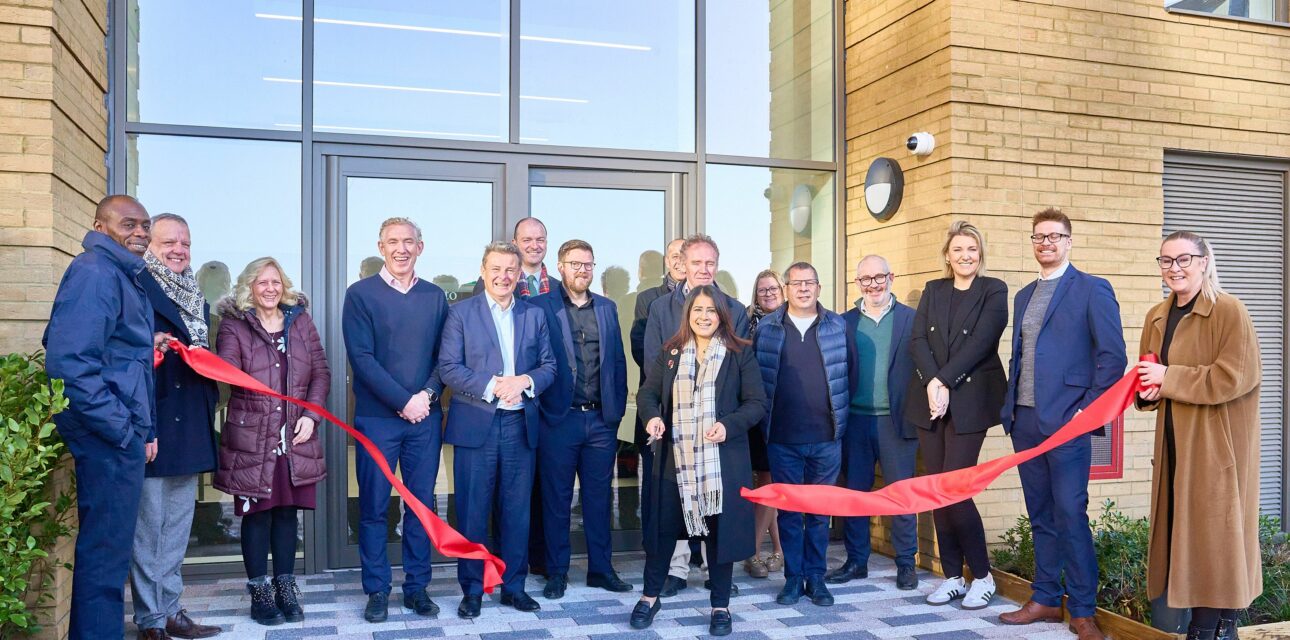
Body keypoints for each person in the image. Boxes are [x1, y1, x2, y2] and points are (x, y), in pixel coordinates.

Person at [999, 209, 1126, 639]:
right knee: (1040, 513)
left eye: (1055, 236)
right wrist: (1012, 408)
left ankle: (1084, 611)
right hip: (1026, 419)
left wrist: (1084, 412)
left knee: (1071, 512)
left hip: (1068, 423)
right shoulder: (1023, 295)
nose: (1046, 243)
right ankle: (1047, 599)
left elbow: (1113, 357)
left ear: (1069, 241)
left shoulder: (1092, 289)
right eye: (1039, 236)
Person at [1136, 231, 1262, 640]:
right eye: (1166, 261)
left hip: (1215, 444)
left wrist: (1168, 378)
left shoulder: (1229, 311)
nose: (1174, 269)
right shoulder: (1157, 315)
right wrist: (1148, 391)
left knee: (1214, 534)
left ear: (1205, 261)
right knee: (1183, 534)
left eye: (1184, 259)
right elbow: (1149, 375)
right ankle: (1220, 627)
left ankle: (1207, 627)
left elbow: (1234, 377)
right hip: (1174, 444)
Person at [44, 195, 157, 640]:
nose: (141, 233)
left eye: (145, 225)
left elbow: (116, 353)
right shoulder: (95, 272)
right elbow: (69, 363)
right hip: (106, 435)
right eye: (129, 224)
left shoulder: (120, 275)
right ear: (99, 224)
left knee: (108, 555)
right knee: (105, 557)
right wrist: (122, 429)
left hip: (117, 432)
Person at [631, 285, 767, 637]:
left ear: (721, 315)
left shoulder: (740, 354)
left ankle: (720, 605)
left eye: (711, 311)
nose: (704, 317)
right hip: (674, 464)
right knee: (662, 534)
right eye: (697, 311)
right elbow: (647, 392)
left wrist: (728, 425)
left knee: (718, 535)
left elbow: (756, 403)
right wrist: (651, 417)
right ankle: (649, 597)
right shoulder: (672, 352)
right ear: (687, 315)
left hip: (721, 464)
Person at [440, 242, 557, 619]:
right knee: (473, 512)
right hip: (477, 425)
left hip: (520, 425)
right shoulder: (460, 313)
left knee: (516, 512)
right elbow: (449, 368)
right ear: (483, 270)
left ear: (519, 274)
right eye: (496, 269)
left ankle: (513, 587)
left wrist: (523, 380)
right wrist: (494, 385)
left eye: (511, 270)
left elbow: (549, 366)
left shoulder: (534, 315)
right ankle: (472, 589)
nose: (503, 276)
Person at [341, 217, 450, 623]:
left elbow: (445, 358)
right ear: (380, 247)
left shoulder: (435, 296)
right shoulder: (360, 295)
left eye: (409, 241)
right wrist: (404, 401)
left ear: (421, 246)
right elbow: (362, 359)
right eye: (393, 242)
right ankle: (377, 590)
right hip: (377, 419)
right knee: (373, 508)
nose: (401, 248)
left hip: (425, 417)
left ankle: (417, 588)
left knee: (420, 507)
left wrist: (427, 396)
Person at [213, 258, 329, 626]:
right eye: (261, 282)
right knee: (257, 515)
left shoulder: (301, 322)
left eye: (275, 281)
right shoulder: (235, 325)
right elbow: (229, 371)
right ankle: (260, 590)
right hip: (254, 436)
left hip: (296, 433)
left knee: (286, 513)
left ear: (284, 286)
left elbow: (321, 373)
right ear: (249, 286)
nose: (269, 288)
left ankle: (285, 585)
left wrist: (311, 416)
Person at [906, 220, 1007, 609]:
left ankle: (982, 576)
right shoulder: (934, 290)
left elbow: (983, 343)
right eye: (958, 249)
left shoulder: (993, 290)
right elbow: (918, 341)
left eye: (972, 249)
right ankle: (952, 576)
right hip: (930, 403)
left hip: (970, 403)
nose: (965, 256)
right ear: (947, 256)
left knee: (956, 491)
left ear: (980, 254)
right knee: (936, 490)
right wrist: (933, 383)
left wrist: (944, 382)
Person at [642, 234, 750, 596]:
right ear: (682, 264)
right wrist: (657, 413)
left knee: (716, 508)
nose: (703, 270)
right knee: (672, 508)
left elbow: (741, 381)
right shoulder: (661, 308)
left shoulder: (734, 308)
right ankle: (675, 570)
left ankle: (712, 570)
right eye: (696, 263)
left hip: (716, 440)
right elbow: (654, 369)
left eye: (710, 264)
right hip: (678, 433)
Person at [131, 213, 222, 639]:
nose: (179, 250)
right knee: (149, 529)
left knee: (176, 528)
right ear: (150, 243)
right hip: (154, 422)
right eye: (169, 242)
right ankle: (150, 620)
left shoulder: (193, 293)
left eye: (185, 243)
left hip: (189, 424)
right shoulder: (136, 286)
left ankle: (171, 611)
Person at [530, 240, 632, 599]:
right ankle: (557, 571)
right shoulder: (539, 307)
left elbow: (617, 362)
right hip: (558, 420)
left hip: (600, 421)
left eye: (588, 264)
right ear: (560, 266)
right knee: (557, 500)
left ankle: (601, 570)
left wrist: (614, 414)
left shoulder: (607, 307)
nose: (582, 270)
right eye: (575, 264)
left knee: (599, 499)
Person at [753, 262, 857, 608]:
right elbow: (757, 379)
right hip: (782, 437)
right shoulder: (767, 328)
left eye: (809, 283)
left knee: (818, 513)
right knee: (790, 513)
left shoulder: (837, 326)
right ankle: (793, 579)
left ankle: (816, 578)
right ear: (785, 289)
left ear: (818, 287)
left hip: (826, 438)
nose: (803, 289)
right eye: (796, 283)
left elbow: (849, 376)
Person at [828, 255, 919, 590]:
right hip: (855, 422)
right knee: (854, 495)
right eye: (865, 279)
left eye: (879, 277)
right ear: (857, 283)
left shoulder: (912, 320)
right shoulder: (843, 322)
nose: (873, 284)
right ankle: (856, 561)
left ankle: (906, 562)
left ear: (891, 277)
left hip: (896, 423)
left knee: (902, 494)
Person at [743, 269, 785, 579]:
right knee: (765, 484)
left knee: (771, 483)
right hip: (755, 412)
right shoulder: (748, 325)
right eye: (762, 290)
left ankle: (753, 551)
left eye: (773, 289)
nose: (768, 294)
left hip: (782, 414)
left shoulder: (792, 321)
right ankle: (777, 551)